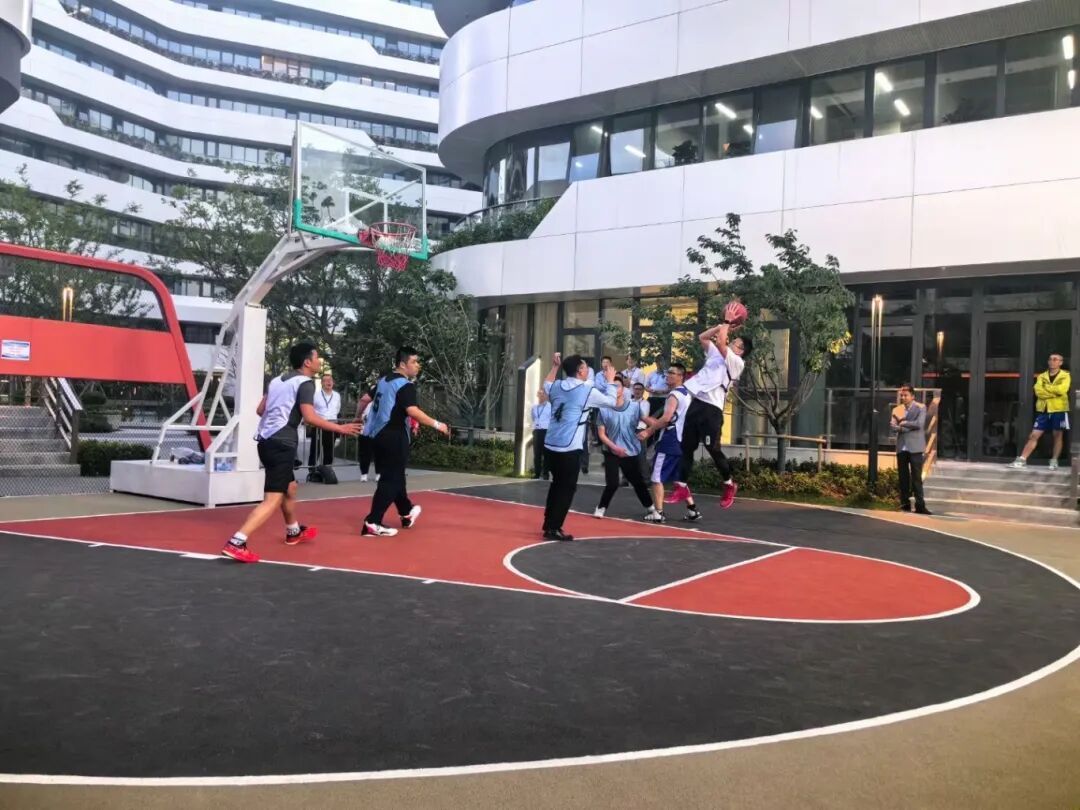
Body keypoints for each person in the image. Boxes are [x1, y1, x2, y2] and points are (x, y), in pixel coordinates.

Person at [222, 342, 361, 563]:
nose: (319, 361)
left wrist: (280, 413)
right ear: (307, 362)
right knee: (272, 499)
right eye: (317, 357)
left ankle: (293, 531)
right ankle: (237, 541)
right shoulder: (305, 383)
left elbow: (260, 410)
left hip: (266, 441)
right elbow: (310, 417)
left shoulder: (277, 381)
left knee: (290, 487)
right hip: (282, 443)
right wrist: (340, 428)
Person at [669, 303, 751, 511]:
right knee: (686, 447)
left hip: (712, 410)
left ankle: (729, 484)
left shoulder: (736, 363)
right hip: (696, 403)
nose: (733, 344)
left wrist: (727, 322)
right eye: (734, 341)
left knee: (713, 449)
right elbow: (703, 338)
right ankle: (681, 486)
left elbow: (722, 343)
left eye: (737, 344)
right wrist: (722, 326)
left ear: (741, 352)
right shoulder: (716, 353)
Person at [361, 347, 450, 536]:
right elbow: (412, 410)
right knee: (391, 480)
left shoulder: (383, 381)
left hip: (377, 436)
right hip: (394, 436)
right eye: (414, 362)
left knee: (396, 476)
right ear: (402, 364)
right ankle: (373, 521)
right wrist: (438, 424)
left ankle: (406, 511)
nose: (418, 365)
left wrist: (357, 418)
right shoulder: (405, 385)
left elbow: (364, 399)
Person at [542, 352, 619, 541]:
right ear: (580, 371)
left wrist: (554, 367)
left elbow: (547, 384)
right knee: (567, 488)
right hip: (569, 448)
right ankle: (554, 527)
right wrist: (611, 381)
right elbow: (611, 402)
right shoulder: (586, 390)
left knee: (556, 485)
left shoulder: (557, 386)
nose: (588, 370)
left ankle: (549, 523)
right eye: (585, 367)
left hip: (550, 444)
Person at [593, 375, 662, 520]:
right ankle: (601, 507)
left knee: (638, 482)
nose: (614, 389)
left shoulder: (634, 407)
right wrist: (615, 447)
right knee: (612, 483)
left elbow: (649, 422)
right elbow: (602, 435)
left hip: (629, 452)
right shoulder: (603, 410)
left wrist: (651, 429)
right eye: (611, 386)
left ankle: (651, 508)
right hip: (611, 451)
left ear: (623, 389)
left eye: (617, 386)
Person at [636, 363, 690, 522]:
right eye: (668, 372)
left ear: (680, 376)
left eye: (672, 373)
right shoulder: (686, 393)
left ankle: (658, 513)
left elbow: (666, 419)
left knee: (656, 477)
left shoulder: (674, 395)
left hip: (670, 439)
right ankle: (692, 509)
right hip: (680, 439)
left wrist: (648, 431)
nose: (668, 375)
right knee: (678, 478)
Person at [1011, 353, 1072, 470]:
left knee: (1057, 436)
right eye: (1050, 359)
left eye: (1055, 359)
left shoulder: (1065, 375)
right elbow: (1038, 391)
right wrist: (1053, 392)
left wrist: (1047, 389)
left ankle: (1054, 461)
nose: (1052, 361)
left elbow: (1062, 390)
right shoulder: (1042, 376)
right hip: (1043, 409)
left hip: (1059, 409)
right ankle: (1022, 460)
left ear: (1060, 362)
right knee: (1034, 435)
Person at [890, 384, 931, 515]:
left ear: (912, 396)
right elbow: (893, 426)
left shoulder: (921, 407)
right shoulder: (897, 409)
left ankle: (920, 506)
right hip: (901, 447)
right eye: (901, 395)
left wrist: (903, 423)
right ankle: (905, 505)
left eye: (905, 395)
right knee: (903, 478)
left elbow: (919, 424)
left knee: (916, 478)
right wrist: (906, 427)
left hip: (916, 448)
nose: (903, 397)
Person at [306, 373, 341, 469]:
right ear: (322, 383)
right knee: (315, 450)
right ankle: (312, 470)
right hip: (318, 426)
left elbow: (337, 409)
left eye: (330, 380)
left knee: (329, 450)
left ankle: (327, 470)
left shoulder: (337, 395)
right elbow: (311, 409)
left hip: (332, 426)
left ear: (333, 382)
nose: (329, 382)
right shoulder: (316, 395)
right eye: (326, 380)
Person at [531, 389, 551, 480]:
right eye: (539, 394)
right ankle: (537, 473)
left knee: (546, 453)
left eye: (543, 394)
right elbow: (533, 418)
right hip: (537, 431)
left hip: (546, 431)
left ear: (546, 396)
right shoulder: (534, 407)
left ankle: (545, 473)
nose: (541, 396)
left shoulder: (550, 407)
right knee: (537, 454)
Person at [357, 398, 377, 482]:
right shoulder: (366, 404)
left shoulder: (383, 403)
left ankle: (379, 473)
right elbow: (361, 416)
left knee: (379, 454)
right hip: (365, 432)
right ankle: (364, 474)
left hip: (378, 432)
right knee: (365, 454)